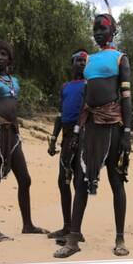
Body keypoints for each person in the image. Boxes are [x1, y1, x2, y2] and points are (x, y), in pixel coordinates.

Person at [54, 3, 132, 258]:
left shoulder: (120, 58)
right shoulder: (89, 60)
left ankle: (120, 238)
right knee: (81, 181)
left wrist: (128, 132)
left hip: (113, 127)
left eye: (103, 28)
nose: (98, 32)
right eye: (95, 29)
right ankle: (73, 238)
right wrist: (77, 130)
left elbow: (126, 98)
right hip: (90, 127)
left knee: (116, 181)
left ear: (113, 31)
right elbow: (87, 98)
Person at [0, 39, 49, 242]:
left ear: (9, 59)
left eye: (3, 54)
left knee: (25, 179)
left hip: (13, 135)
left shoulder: (14, 81)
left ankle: (27, 225)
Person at [47, 49, 88, 245]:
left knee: (79, 182)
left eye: (84, 61)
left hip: (82, 137)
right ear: (72, 63)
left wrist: (79, 134)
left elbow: (87, 111)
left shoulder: (89, 85)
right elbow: (59, 114)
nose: (81, 64)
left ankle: (75, 230)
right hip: (66, 136)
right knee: (62, 181)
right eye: (78, 61)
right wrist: (53, 138)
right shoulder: (65, 86)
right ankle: (66, 225)